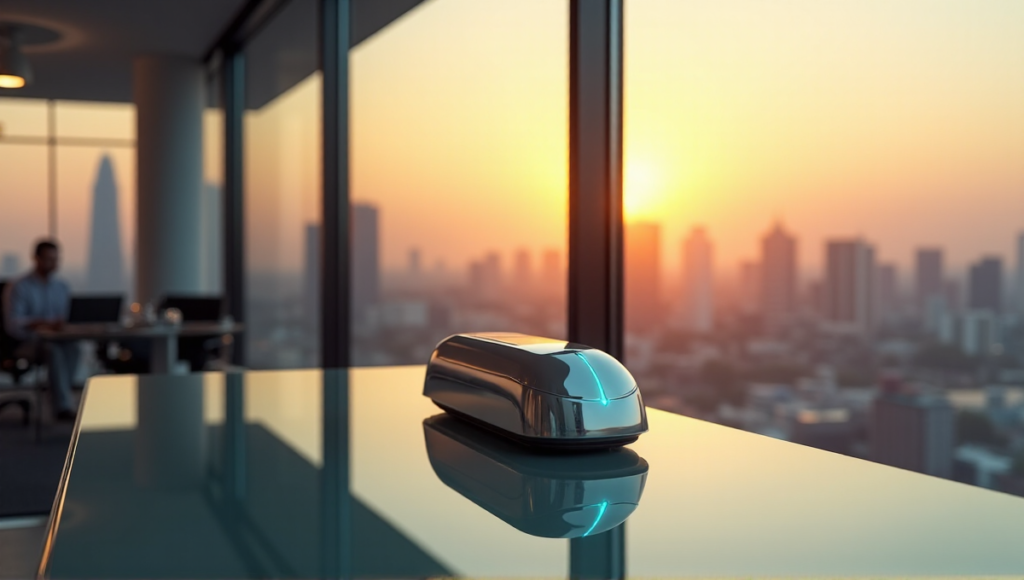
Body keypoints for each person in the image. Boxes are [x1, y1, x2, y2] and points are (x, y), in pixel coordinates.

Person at [2, 240, 79, 421]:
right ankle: (62, 406)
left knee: (74, 348)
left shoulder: (61, 287)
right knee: (53, 351)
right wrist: (41, 324)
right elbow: (13, 324)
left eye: (55, 259)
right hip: (24, 343)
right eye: (48, 259)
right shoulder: (19, 286)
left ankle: (60, 398)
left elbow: (65, 317)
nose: (53, 263)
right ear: (36, 259)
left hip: (56, 339)